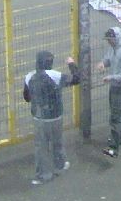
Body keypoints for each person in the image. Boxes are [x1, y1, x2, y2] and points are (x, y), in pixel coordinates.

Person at [24, 50, 81, 184]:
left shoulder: (29, 76)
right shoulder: (56, 75)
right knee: (58, 142)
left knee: (41, 147)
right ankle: (60, 165)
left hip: (39, 118)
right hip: (56, 116)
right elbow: (76, 79)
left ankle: (44, 175)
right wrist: (72, 64)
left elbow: (26, 98)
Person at [99, 26, 121, 157]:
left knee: (115, 117)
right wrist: (103, 63)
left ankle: (113, 147)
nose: (108, 42)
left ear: (116, 39)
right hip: (115, 85)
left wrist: (111, 77)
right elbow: (108, 59)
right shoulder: (113, 48)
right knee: (120, 112)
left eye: (110, 39)